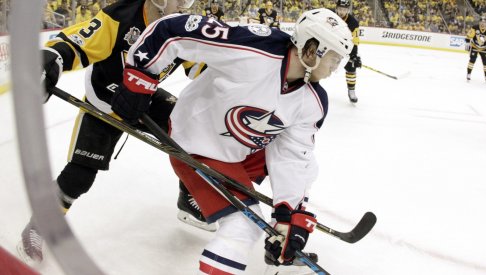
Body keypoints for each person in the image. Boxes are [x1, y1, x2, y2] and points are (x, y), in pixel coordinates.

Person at [111, 8, 353, 273]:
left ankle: (224, 207)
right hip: (199, 144)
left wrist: (288, 215)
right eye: (333, 58)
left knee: (298, 162)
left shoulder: (314, 102)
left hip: (240, 150)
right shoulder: (256, 47)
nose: (335, 68)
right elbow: (173, 29)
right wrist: (140, 78)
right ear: (312, 50)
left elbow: (294, 157)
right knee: (244, 225)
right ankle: (200, 201)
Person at [17, 0, 217, 264]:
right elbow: (77, 42)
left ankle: (187, 199)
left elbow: (202, 67)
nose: (185, 3)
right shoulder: (121, 15)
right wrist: (53, 57)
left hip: (144, 98)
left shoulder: (181, 26)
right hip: (105, 100)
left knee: (193, 133)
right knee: (80, 175)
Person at [335, 0, 361, 103]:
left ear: (348, 10)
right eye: (340, 9)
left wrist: (354, 55)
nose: (342, 12)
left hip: (345, 47)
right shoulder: (329, 15)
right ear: (337, 8)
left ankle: (351, 91)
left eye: (344, 10)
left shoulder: (353, 23)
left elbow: (355, 40)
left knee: (352, 66)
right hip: (329, 44)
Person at [465, 15, 486, 84]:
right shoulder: (475, 27)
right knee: (472, 60)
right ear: (479, 22)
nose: (482, 23)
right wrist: (467, 42)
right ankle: (468, 74)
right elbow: (469, 35)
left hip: (483, 48)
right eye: (481, 21)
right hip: (474, 46)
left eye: (484, 22)